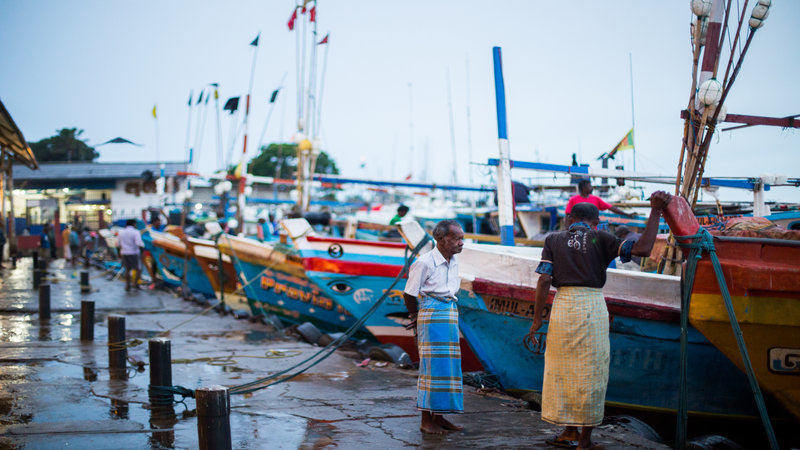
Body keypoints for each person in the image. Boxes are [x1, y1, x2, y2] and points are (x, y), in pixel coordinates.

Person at [528, 192, 670, 449]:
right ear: (596, 221)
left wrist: (537, 319)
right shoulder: (601, 237)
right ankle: (584, 440)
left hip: (564, 307)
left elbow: (544, 279)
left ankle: (568, 430)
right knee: (591, 371)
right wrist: (655, 212)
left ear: (569, 219)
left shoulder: (553, 239)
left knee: (562, 369)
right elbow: (643, 250)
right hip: (592, 306)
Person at [403, 219, 465, 434]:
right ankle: (425, 420)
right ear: (440, 239)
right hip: (431, 313)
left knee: (446, 368)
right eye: (456, 239)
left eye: (461, 239)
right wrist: (415, 315)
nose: (460, 243)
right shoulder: (424, 262)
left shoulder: (454, 260)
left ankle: (439, 416)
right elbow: (410, 294)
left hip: (448, 313)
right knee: (430, 368)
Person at [566, 179, 635, 218]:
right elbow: (568, 215)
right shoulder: (573, 199)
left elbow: (611, 208)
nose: (592, 188)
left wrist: (626, 214)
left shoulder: (596, 199)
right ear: (584, 188)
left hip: (592, 231)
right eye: (589, 186)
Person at [118, 219, 144, 291]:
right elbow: (138, 243)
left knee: (127, 270)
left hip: (124, 253)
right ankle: (135, 284)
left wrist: (120, 253)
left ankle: (127, 285)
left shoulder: (121, 232)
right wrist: (143, 249)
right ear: (134, 224)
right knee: (138, 269)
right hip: (134, 253)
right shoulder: (136, 232)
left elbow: (118, 244)